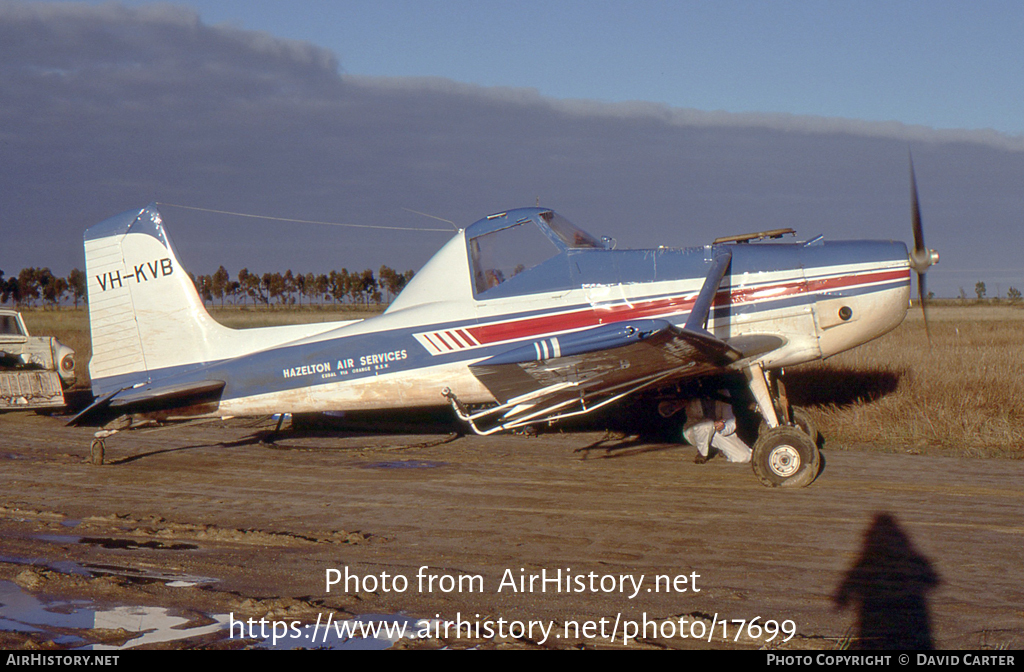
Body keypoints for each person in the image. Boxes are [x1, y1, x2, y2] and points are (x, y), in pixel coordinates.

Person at [679, 395, 751, 464]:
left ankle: (718, 448)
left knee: (744, 456)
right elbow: (693, 419)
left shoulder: (723, 394)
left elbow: (731, 421)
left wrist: (723, 426)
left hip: (717, 432)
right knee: (707, 425)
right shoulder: (694, 397)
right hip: (697, 432)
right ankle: (702, 453)